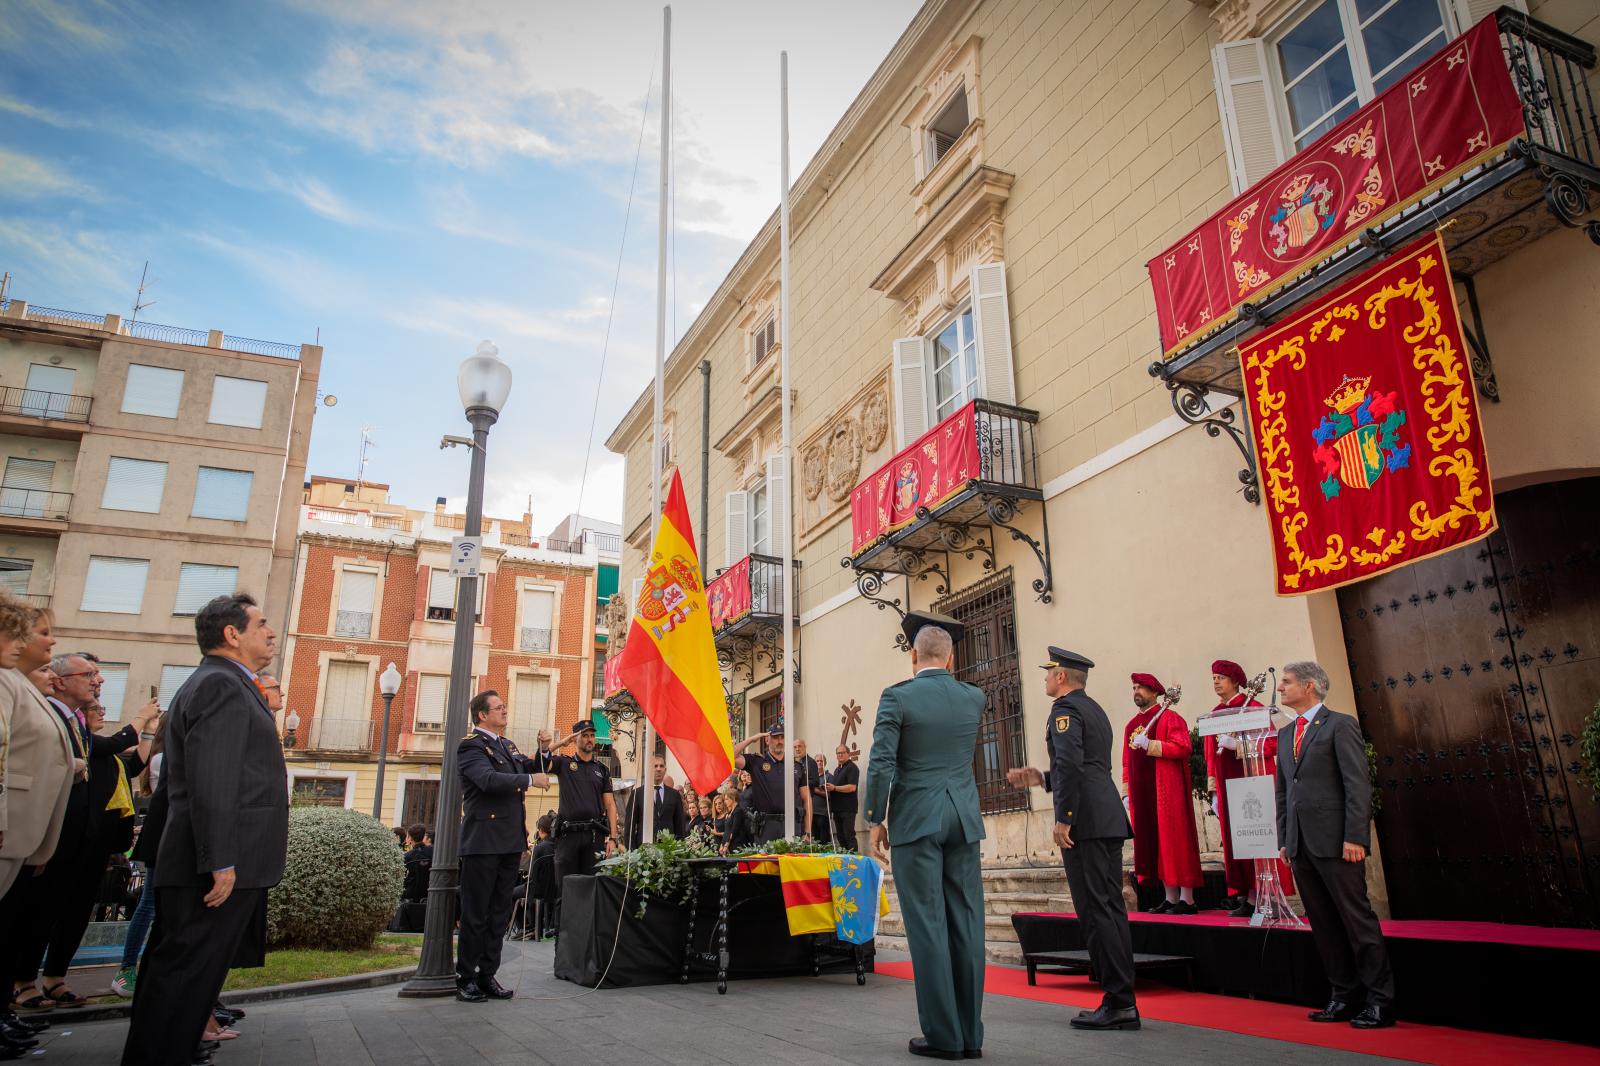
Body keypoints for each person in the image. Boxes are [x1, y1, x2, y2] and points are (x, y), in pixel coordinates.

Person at [121, 593, 289, 1066]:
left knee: (179, 978)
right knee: (183, 980)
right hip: (211, 867)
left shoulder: (222, 682)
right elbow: (213, 779)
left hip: (211, 861)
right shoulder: (220, 685)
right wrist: (221, 860)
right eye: (261, 624)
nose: (271, 632)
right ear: (232, 635)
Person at [864, 611, 985, 1061]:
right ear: (951, 659)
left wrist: (875, 817)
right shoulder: (974, 697)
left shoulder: (898, 698)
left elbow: (881, 762)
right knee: (968, 924)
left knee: (928, 925)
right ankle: (971, 1035)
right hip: (964, 818)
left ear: (913, 657)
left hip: (918, 818)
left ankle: (943, 1036)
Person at [1007, 648, 1139, 1031]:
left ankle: (1119, 1001)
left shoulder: (1064, 711)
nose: (1045, 679)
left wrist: (1064, 817)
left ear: (1062, 677)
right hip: (1106, 815)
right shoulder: (1093, 709)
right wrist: (1042, 779)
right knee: (1110, 909)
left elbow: (1071, 765)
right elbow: (1087, 766)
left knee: (1097, 912)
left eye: (1049, 673)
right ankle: (1120, 997)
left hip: (1087, 820)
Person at [15, 654, 154, 1010]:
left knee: (75, 911)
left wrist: (149, 728)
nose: (98, 681)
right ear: (59, 681)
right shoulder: (53, 717)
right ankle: (24, 982)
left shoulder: (80, 728)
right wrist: (139, 719)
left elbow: (134, 760)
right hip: (56, 838)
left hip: (92, 843)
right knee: (41, 911)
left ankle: (54, 978)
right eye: (89, 674)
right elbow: (102, 747)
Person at [1276, 661, 1394, 1029]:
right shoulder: (1284, 734)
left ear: (1310, 686)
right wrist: (1285, 838)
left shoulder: (1340, 725)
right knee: (1324, 926)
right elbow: (1283, 792)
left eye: (1287, 682)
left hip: (1337, 843)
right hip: (1301, 846)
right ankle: (1343, 996)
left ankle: (1379, 1001)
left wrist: (1355, 837)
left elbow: (1356, 785)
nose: (1280, 688)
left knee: (1357, 922)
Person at [0, 605, 71, 1056]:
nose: (49, 643)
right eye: (41, 633)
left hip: (23, 833)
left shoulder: (19, 685)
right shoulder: (6, 682)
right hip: (9, 827)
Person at [453, 690, 538, 1002]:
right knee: (476, 914)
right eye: (498, 707)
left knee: (499, 914)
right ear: (482, 715)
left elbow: (524, 767)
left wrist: (543, 752)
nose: (504, 710)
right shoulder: (471, 746)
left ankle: (488, 975)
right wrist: (529, 781)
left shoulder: (507, 745)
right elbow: (487, 780)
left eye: (504, 706)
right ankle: (466, 978)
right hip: (483, 842)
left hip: (509, 840)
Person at [1204, 659, 1293, 917]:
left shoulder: (1253, 708)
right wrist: (1213, 791)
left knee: (1260, 839)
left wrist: (1240, 747)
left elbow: (1273, 744)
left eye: (1220, 677)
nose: (1216, 682)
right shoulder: (1215, 714)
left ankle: (1271, 896)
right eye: (1213, 678)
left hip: (1255, 782)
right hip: (1228, 785)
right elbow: (1211, 756)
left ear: (1235, 681)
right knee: (1238, 842)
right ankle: (1251, 897)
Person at [1122, 673, 1201, 914]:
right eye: (1134, 687)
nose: (1136, 691)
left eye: (1141, 688)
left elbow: (1182, 747)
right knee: (1155, 844)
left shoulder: (1170, 718)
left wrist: (1153, 745)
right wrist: (1126, 792)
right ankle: (1170, 897)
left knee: (1175, 841)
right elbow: (1127, 762)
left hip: (1166, 790)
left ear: (1155, 692)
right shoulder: (1131, 725)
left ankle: (1187, 899)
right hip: (1142, 793)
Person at [531, 720, 620, 916]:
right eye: (584, 735)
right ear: (575, 738)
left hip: (593, 836)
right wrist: (558, 743)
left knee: (591, 889)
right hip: (568, 836)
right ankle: (563, 942)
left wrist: (613, 838)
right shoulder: (564, 763)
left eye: (591, 735)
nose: (589, 739)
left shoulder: (602, 770)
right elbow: (538, 762)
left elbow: (611, 805)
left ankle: (585, 942)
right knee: (565, 889)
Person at [732, 730, 811, 844]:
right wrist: (751, 739)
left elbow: (806, 799)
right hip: (766, 826)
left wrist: (807, 832)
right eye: (775, 737)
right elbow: (731, 756)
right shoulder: (757, 762)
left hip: (792, 824)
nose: (779, 741)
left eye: (782, 737)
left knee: (792, 861)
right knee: (767, 862)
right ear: (767, 740)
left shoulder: (796, 766)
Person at [624, 755, 689, 847]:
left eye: (661, 766)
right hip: (643, 850)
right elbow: (629, 826)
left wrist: (680, 849)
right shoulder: (637, 794)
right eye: (655, 766)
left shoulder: (674, 795)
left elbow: (679, 825)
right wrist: (631, 852)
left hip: (668, 850)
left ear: (665, 770)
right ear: (649, 769)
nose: (658, 769)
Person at [825, 744, 860, 852]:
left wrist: (834, 788)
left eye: (842, 753)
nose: (840, 755)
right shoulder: (837, 770)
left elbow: (852, 787)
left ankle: (854, 861)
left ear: (848, 754)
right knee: (840, 837)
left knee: (849, 835)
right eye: (838, 753)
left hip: (848, 808)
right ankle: (845, 862)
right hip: (837, 809)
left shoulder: (852, 768)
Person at [795, 739, 828, 843]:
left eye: (800, 746)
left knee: (807, 834)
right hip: (796, 803)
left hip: (806, 802)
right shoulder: (793, 763)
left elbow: (815, 781)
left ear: (805, 747)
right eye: (795, 747)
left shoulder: (810, 762)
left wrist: (800, 784)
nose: (797, 749)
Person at [402, 824, 432, 902]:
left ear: (410, 838)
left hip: (411, 895)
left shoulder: (407, 856)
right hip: (429, 892)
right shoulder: (432, 851)